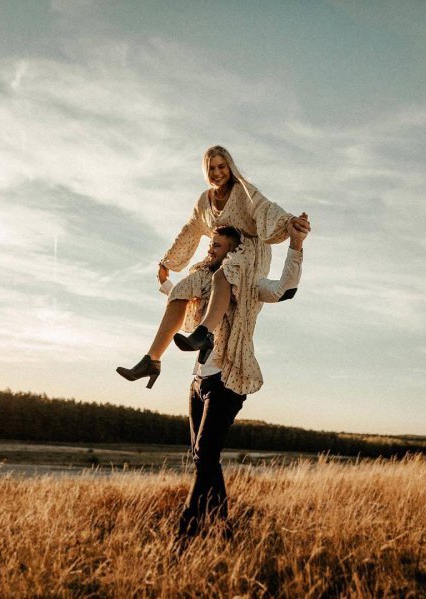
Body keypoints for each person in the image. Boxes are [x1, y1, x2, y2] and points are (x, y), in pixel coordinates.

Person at [116, 145, 311, 393]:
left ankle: (204, 332)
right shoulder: (204, 201)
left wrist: (290, 223)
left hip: (248, 253)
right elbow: (191, 229)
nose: (217, 172)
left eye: (222, 167)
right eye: (211, 168)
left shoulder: (244, 192)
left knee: (225, 273)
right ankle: (152, 359)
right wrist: (169, 262)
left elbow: (266, 209)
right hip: (219, 254)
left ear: (230, 168)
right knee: (184, 288)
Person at [169, 220, 307, 545]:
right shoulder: (206, 282)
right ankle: (223, 532)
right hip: (197, 381)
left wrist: (296, 246)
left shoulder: (249, 282)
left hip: (227, 382)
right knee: (204, 459)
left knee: (204, 455)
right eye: (210, 245)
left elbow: (284, 289)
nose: (210, 250)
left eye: (217, 246)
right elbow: (179, 302)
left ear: (234, 251)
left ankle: (183, 536)